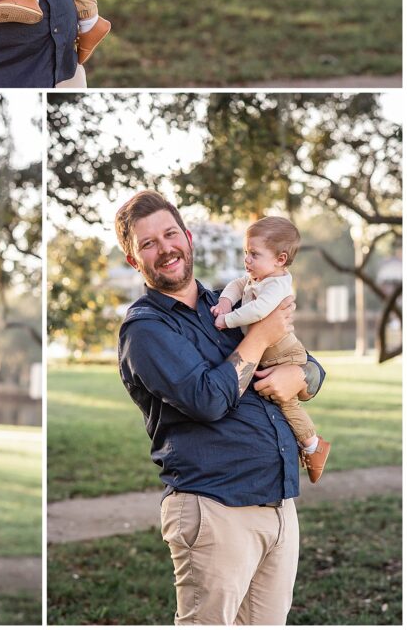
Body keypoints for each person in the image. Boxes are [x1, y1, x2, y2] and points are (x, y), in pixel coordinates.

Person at [115, 191, 325, 626]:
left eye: (171, 234)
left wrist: (300, 377)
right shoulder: (145, 329)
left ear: (188, 238)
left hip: (279, 505)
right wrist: (261, 337)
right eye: (148, 243)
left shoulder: (230, 304)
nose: (165, 248)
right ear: (135, 261)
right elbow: (208, 399)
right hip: (214, 509)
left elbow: (308, 363)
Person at [211, 215, 331, 481]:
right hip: (271, 354)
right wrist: (225, 302)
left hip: (284, 353)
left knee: (288, 406)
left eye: (254, 254)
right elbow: (235, 285)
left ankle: (314, 447)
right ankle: (310, 445)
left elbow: (258, 310)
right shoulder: (257, 277)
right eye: (245, 252)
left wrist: (226, 320)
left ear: (280, 259)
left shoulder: (277, 284)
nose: (247, 260)